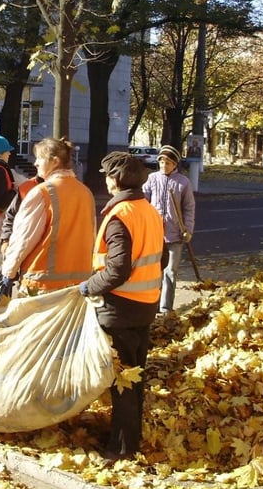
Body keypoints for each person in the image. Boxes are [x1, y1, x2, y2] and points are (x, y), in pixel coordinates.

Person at [79, 151, 164, 459]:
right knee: (135, 378)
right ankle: (128, 439)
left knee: (123, 381)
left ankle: (123, 449)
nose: (105, 180)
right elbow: (163, 258)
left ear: (115, 180)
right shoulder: (148, 211)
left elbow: (117, 270)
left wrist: (89, 286)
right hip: (145, 306)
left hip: (120, 309)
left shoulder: (120, 217)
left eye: (106, 175)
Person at [1, 137, 95, 296]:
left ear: (55, 161)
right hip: (78, 284)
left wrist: (8, 271)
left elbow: (24, 238)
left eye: (39, 158)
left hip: (42, 284)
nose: (35, 163)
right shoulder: (85, 193)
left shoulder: (42, 192)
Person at [142, 144, 196, 317]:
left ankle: (166, 307)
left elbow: (189, 208)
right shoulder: (151, 179)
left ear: (175, 165)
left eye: (168, 163)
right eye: (162, 162)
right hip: (155, 234)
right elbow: (143, 202)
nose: (164, 166)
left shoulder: (183, 182)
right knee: (154, 271)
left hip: (175, 235)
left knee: (170, 272)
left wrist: (187, 229)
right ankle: (152, 304)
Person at [0, 174, 43, 257]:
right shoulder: (26, 187)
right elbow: (11, 215)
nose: (36, 163)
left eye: (40, 160)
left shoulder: (67, 189)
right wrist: (6, 239)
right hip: (27, 250)